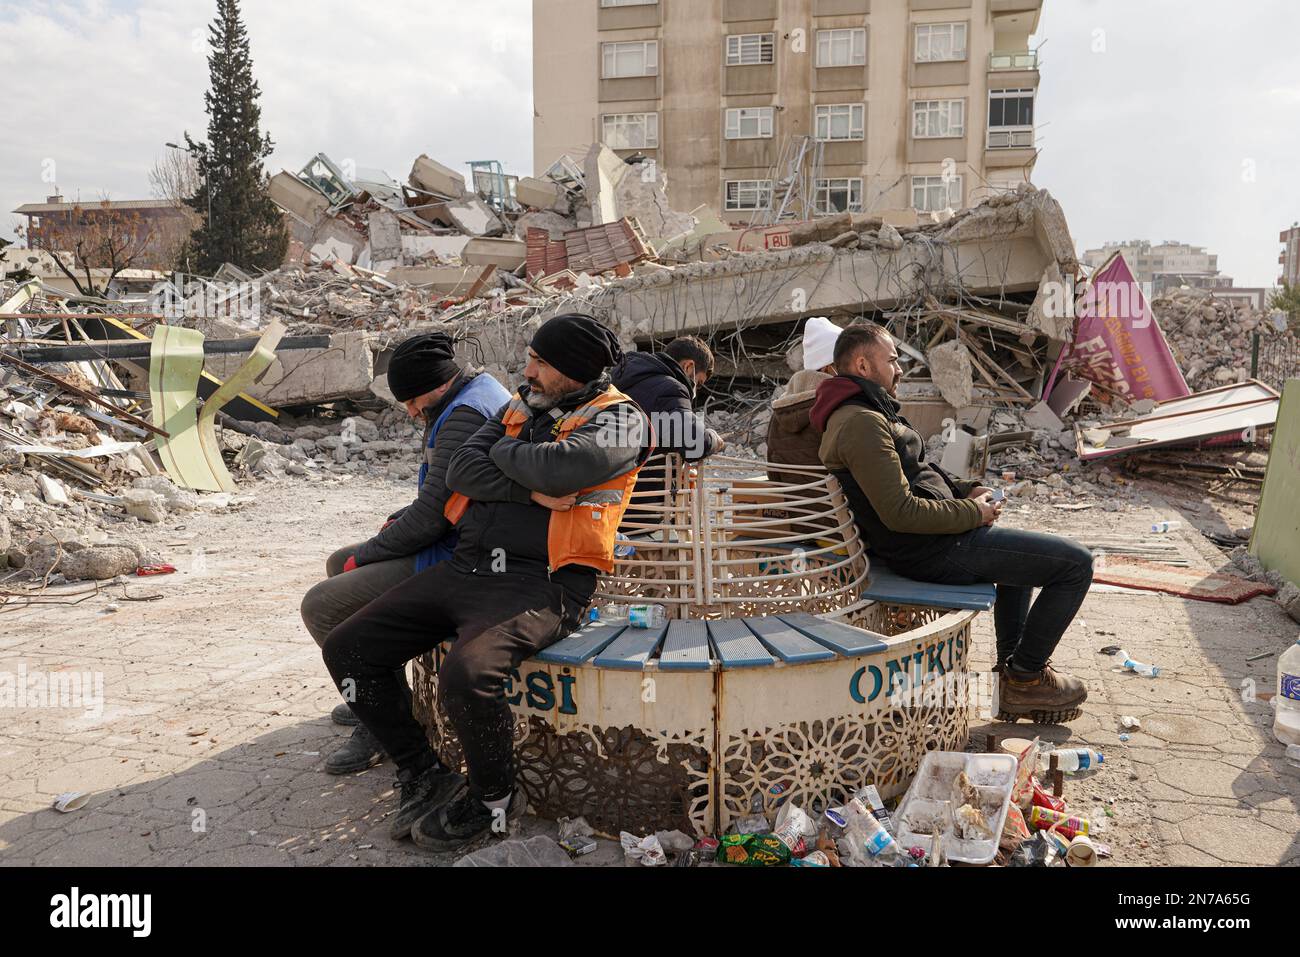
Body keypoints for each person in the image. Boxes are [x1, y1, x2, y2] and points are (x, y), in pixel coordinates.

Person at [321, 314, 650, 851]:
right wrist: (528, 487)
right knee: (349, 647)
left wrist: (505, 457)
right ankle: (424, 772)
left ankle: (494, 798)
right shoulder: (521, 404)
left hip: (544, 584)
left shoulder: (620, 419)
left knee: (466, 674)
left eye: (540, 361)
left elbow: (564, 470)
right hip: (467, 568)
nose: (528, 370)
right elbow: (460, 471)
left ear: (572, 368)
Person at [812, 322, 1093, 724]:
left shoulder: (868, 411)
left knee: (1023, 558)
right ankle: (1027, 678)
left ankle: (1013, 675)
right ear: (862, 365)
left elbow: (921, 472)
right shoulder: (861, 421)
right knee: (1076, 564)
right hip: (931, 549)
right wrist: (973, 514)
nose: (899, 369)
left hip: (938, 539)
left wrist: (969, 490)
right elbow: (901, 512)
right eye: (892, 361)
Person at [299, 333, 510, 774]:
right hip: (461, 538)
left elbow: (433, 518)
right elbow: (442, 495)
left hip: (463, 558)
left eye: (412, 401)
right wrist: (397, 521)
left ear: (437, 384)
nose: (411, 413)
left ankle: (385, 725)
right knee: (340, 562)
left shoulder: (464, 415)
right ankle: (379, 695)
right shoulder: (475, 392)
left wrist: (371, 553)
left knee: (321, 604)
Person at [611, 335, 723, 524]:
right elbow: (695, 443)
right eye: (699, 382)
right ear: (688, 367)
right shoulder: (671, 389)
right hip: (641, 510)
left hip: (605, 505)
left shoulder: (618, 379)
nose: (696, 390)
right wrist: (714, 439)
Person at [767, 317, 840, 484]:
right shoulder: (836, 408)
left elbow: (774, 475)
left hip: (794, 507)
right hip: (834, 508)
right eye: (845, 363)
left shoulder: (780, 411)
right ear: (827, 367)